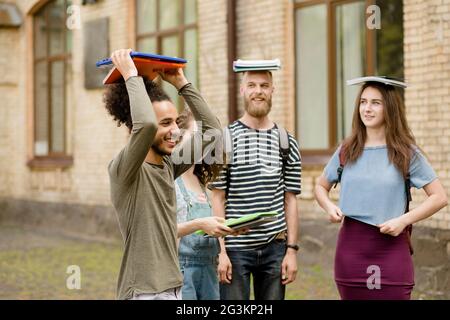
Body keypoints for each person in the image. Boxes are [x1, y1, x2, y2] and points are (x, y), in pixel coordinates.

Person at [104, 49, 230, 300]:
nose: (174, 131)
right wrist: (131, 76)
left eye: (175, 121)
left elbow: (213, 132)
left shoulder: (168, 165)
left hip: (172, 286)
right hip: (143, 291)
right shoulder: (124, 169)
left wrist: (181, 83)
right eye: (165, 124)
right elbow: (145, 125)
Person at [314, 78, 448, 300]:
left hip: (391, 248)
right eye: (363, 102)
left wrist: (403, 220)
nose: (367, 108)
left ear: (390, 108)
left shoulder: (406, 153)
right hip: (351, 249)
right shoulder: (347, 150)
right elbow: (320, 186)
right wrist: (329, 206)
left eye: (376, 102)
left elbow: (439, 197)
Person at [209, 69, 302, 300]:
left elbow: (290, 199)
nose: (258, 91)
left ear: (272, 90)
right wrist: (221, 252)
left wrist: (291, 251)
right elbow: (218, 198)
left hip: (275, 248)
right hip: (235, 249)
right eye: (251, 85)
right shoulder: (225, 139)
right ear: (242, 90)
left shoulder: (286, 141)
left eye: (264, 85)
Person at [174, 109, 227, 300]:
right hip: (182, 272)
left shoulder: (205, 186)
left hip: (209, 272)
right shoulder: (170, 183)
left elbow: (211, 227)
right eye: (196, 137)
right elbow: (163, 232)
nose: (201, 145)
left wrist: (229, 229)